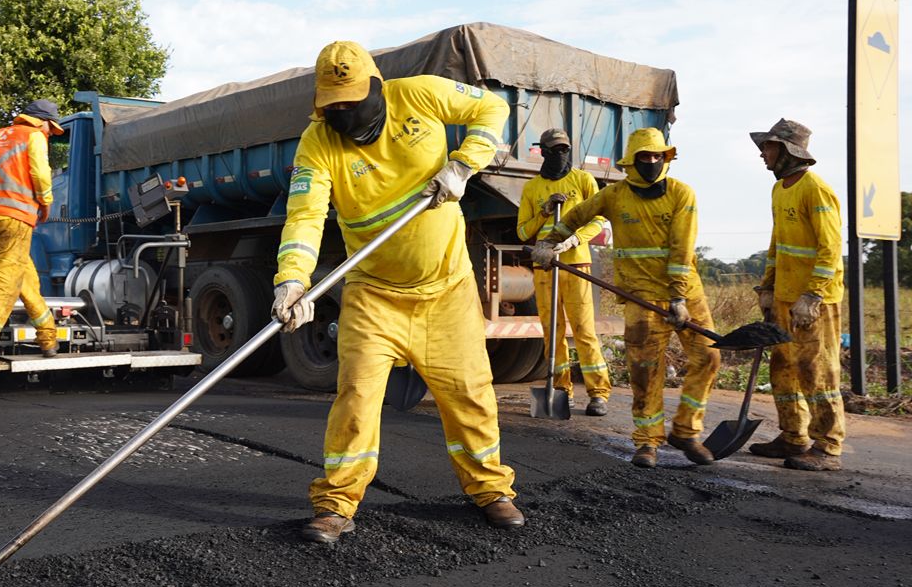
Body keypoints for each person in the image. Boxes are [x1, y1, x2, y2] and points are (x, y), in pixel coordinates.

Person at [273, 40, 524, 544]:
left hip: (446, 289)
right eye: (332, 107)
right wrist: (293, 280)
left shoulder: (419, 95)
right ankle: (336, 504)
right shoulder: (317, 143)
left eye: (351, 103)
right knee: (357, 397)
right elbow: (305, 217)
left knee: (470, 395)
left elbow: (492, 107)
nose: (343, 116)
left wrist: (464, 163)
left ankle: (490, 490)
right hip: (373, 294)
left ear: (376, 86)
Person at [533, 127, 720, 468]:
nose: (652, 162)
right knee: (645, 371)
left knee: (709, 357)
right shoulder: (615, 195)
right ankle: (647, 441)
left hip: (685, 294)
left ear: (666, 158)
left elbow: (682, 248)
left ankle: (686, 430)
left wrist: (678, 297)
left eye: (658, 156)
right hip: (640, 296)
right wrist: (550, 242)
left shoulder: (681, 193)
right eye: (645, 156)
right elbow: (576, 216)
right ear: (631, 162)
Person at [747, 118, 845, 471]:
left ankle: (828, 445)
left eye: (768, 147)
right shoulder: (780, 189)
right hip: (786, 297)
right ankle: (793, 435)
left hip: (813, 302)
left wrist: (813, 295)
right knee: (784, 367)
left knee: (816, 370)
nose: (763, 153)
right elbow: (778, 243)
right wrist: (768, 287)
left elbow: (830, 248)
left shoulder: (815, 189)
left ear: (788, 150)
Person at [517, 128, 613, 416]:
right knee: (552, 331)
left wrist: (575, 239)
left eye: (564, 149)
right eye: (555, 150)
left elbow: (599, 220)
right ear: (543, 152)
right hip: (545, 266)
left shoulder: (583, 180)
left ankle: (598, 394)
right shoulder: (532, 188)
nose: (561, 154)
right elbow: (523, 232)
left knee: (584, 330)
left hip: (576, 264)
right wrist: (545, 212)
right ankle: (561, 389)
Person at [0, 100, 63, 367]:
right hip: (15, 219)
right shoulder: (34, 136)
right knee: (4, 284)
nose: (51, 133)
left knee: (24, 276)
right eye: (51, 128)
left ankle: (48, 337)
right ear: (41, 121)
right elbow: (40, 173)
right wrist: (46, 203)